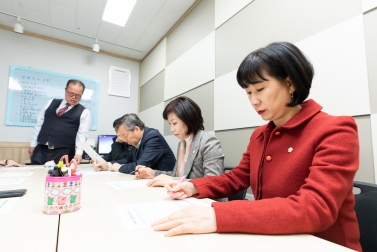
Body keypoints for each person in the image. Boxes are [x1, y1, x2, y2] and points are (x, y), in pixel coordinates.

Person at [151, 42, 361, 251]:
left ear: (290, 84)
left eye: (259, 89)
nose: (253, 100)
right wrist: (194, 186)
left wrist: (220, 214)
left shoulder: (335, 129)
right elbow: (237, 177)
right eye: (248, 92)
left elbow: (316, 208)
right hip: (271, 240)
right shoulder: (259, 135)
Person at [136, 96, 225, 187]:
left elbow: (213, 182)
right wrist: (153, 173)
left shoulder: (209, 142)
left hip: (207, 200)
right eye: (170, 124)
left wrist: (173, 180)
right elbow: (177, 176)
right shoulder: (182, 143)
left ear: (189, 119)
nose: (171, 129)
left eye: (174, 123)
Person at [29, 79, 91, 165]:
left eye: (77, 95)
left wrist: (79, 153)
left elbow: (82, 134)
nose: (73, 97)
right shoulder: (50, 103)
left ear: (82, 94)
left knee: (60, 177)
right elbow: (39, 124)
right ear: (65, 90)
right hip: (41, 150)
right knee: (35, 176)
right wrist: (33, 144)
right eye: (71, 94)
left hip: (63, 153)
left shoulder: (84, 112)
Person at [93, 113, 176, 174]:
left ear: (136, 129)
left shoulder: (153, 137)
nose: (124, 140)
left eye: (124, 135)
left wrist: (119, 167)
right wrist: (108, 165)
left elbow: (140, 165)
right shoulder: (136, 140)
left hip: (166, 182)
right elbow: (127, 160)